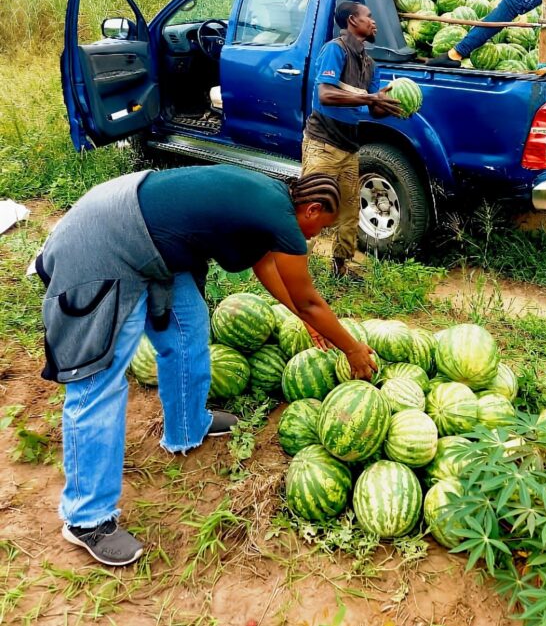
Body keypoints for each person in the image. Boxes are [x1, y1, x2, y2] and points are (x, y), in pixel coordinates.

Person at [36, 166, 377, 567]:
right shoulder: (280, 215)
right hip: (106, 240)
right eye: (323, 227)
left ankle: (187, 425)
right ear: (312, 209)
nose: (317, 236)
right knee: (99, 381)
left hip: (154, 242)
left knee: (188, 328)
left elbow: (265, 267)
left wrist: (304, 318)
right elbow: (309, 300)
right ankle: (87, 519)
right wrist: (352, 350)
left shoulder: (272, 202)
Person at [302, 1, 402, 281]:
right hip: (323, 144)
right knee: (312, 208)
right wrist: (370, 98)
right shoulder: (335, 50)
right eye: (369, 17)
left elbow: (375, 109)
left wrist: (393, 104)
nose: (374, 22)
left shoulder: (370, 64)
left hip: (349, 147)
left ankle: (340, 267)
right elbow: (326, 95)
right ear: (352, 21)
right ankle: (293, 269)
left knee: (348, 212)